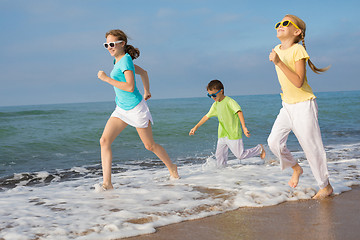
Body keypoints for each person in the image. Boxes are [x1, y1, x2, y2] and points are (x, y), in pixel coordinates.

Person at [97, 29, 179, 190]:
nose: (109, 47)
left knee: (149, 145)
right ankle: (107, 183)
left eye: (112, 44)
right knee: (104, 141)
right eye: (106, 44)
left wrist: (106, 79)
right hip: (121, 109)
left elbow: (129, 87)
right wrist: (147, 90)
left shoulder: (126, 60)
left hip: (135, 108)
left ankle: (172, 167)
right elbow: (144, 73)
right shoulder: (119, 60)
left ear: (122, 44)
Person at [268, 14, 333, 199]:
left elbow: (298, 82)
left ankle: (325, 186)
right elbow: (286, 79)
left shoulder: (297, 50)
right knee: (273, 142)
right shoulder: (276, 49)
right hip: (287, 105)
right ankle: (296, 168)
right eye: (278, 22)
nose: (280, 25)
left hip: (304, 105)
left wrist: (279, 62)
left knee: (312, 147)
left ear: (297, 32)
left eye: (286, 23)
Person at [189, 80, 265, 166]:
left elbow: (239, 111)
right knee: (219, 156)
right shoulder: (215, 105)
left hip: (233, 133)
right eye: (209, 95)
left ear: (221, 91)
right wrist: (196, 127)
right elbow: (207, 116)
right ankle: (223, 174)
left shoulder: (229, 101)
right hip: (222, 134)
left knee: (240, 155)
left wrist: (244, 127)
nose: (212, 97)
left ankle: (259, 149)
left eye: (214, 95)